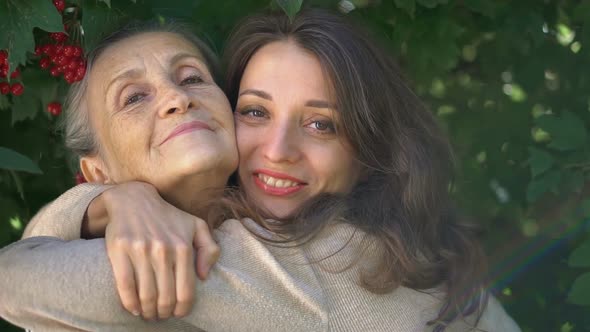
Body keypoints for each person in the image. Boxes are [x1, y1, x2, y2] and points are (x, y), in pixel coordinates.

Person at [0, 8, 520, 332]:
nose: (277, 150)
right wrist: (109, 203)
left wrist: (107, 200)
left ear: (368, 151)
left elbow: (13, 281)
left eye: (322, 125)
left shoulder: (316, 262)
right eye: (255, 111)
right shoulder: (405, 244)